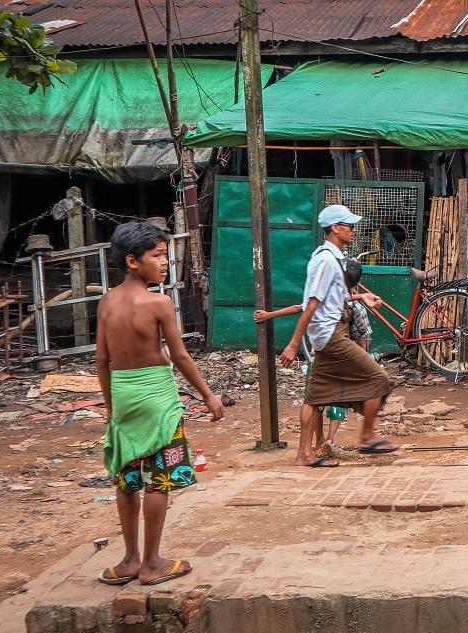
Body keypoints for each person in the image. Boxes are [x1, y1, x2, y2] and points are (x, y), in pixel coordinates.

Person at [96, 222, 225, 586]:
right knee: (159, 479)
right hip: (157, 398)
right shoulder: (158, 303)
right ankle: (153, 562)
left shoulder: (106, 301)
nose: (165, 262)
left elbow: (101, 360)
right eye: (158, 256)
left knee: (126, 477)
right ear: (132, 261)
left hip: (123, 396)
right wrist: (208, 394)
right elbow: (181, 357)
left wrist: (111, 408)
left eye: (165, 255)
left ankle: (129, 560)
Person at [281, 204, 397, 467]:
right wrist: (293, 343)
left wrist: (360, 296)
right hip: (332, 336)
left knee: (315, 397)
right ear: (335, 228)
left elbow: (332, 298)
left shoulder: (333, 259)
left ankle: (304, 455)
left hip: (328, 335)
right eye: (348, 225)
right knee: (378, 377)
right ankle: (367, 436)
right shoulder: (325, 261)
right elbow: (312, 303)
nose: (353, 230)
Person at [254, 301, 372, 455]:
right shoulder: (353, 306)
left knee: (314, 402)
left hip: (320, 360)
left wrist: (269, 315)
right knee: (338, 400)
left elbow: (298, 308)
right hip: (341, 361)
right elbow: (364, 335)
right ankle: (329, 439)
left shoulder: (322, 299)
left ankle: (321, 440)